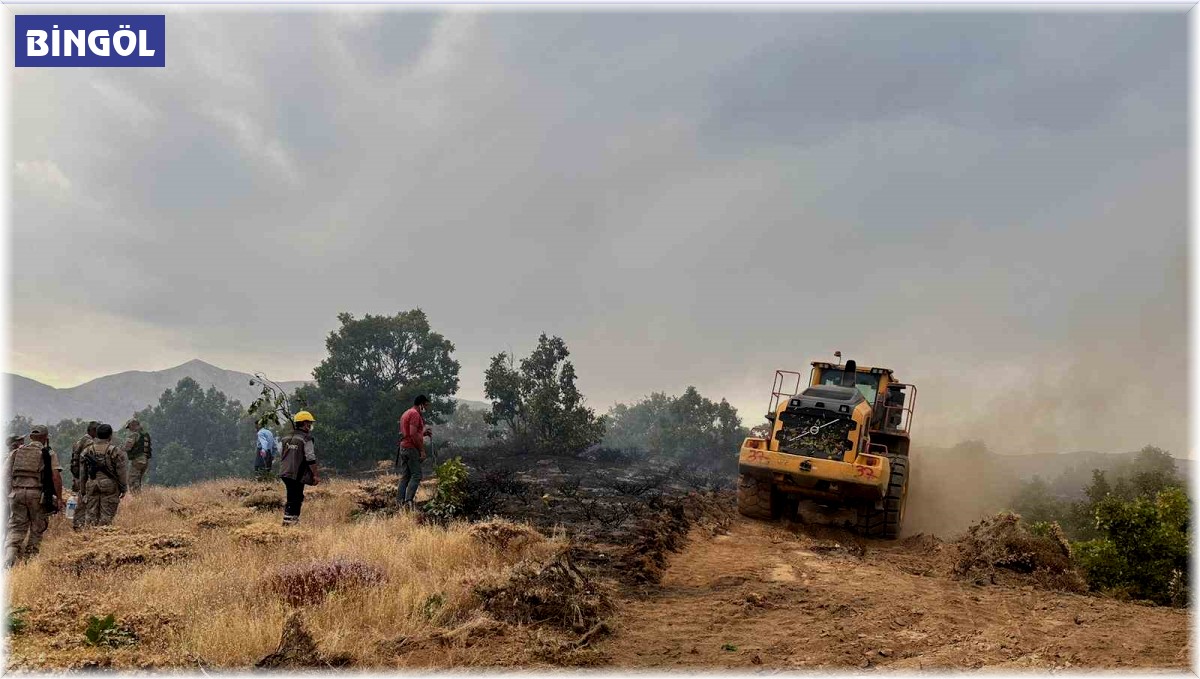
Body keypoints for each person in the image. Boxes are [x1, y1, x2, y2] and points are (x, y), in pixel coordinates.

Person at [4, 425, 63, 567]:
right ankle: (29, 561)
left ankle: (9, 559)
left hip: (16, 494)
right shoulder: (48, 454)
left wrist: (10, 493)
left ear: (30, 438)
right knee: (37, 528)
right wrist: (59, 498)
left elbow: (4, 475)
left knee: (16, 528)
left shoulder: (16, 452)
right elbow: (56, 477)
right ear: (46, 438)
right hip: (37, 495)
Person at [80, 424, 128, 527]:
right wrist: (123, 488)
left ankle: (90, 539)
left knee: (91, 518)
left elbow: (83, 473)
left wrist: (83, 490)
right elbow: (121, 472)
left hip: (91, 484)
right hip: (109, 486)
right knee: (106, 519)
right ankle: (103, 537)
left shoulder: (87, 451)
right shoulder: (115, 451)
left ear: (96, 435)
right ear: (110, 436)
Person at [278, 411, 321, 527]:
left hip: (284, 472)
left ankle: (289, 522)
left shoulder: (286, 437)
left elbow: (281, 454)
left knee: (292, 496)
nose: (310, 425)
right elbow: (310, 458)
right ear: (304, 423)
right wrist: (315, 475)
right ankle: (290, 524)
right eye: (309, 423)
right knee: (296, 498)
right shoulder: (306, 438)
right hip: (296, 474)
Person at [396, 395, 430, 511]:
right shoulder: (415, 414)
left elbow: (408, 432)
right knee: (416, 475)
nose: (426, 408)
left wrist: (424, 434)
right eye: (425, 405)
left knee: (405, 476)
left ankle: (399, 502)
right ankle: (408, 502)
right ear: (421, 404)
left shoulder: (406, 413)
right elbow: (413, 434)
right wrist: (421, 450)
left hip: (403, 447)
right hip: (411, 448)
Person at [70, 421, 99, 530]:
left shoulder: (79, 441)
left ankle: (77, 525)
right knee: (85, 503)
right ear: (92, 431)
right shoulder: (89, 443)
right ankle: (81, 527)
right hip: (84, 478)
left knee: (80, 502)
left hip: (77, 477)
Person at [122, 418, 152, 492]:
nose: (129, 430)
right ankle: (139, 497)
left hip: (137, 460)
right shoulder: (145, 435)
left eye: (129, 427)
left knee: (132, 480)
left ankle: (137, 499)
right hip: (145, 461)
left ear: (132, 426)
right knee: (138, 480)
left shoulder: (134, 435)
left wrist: (119, 448)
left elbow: (127, 447)